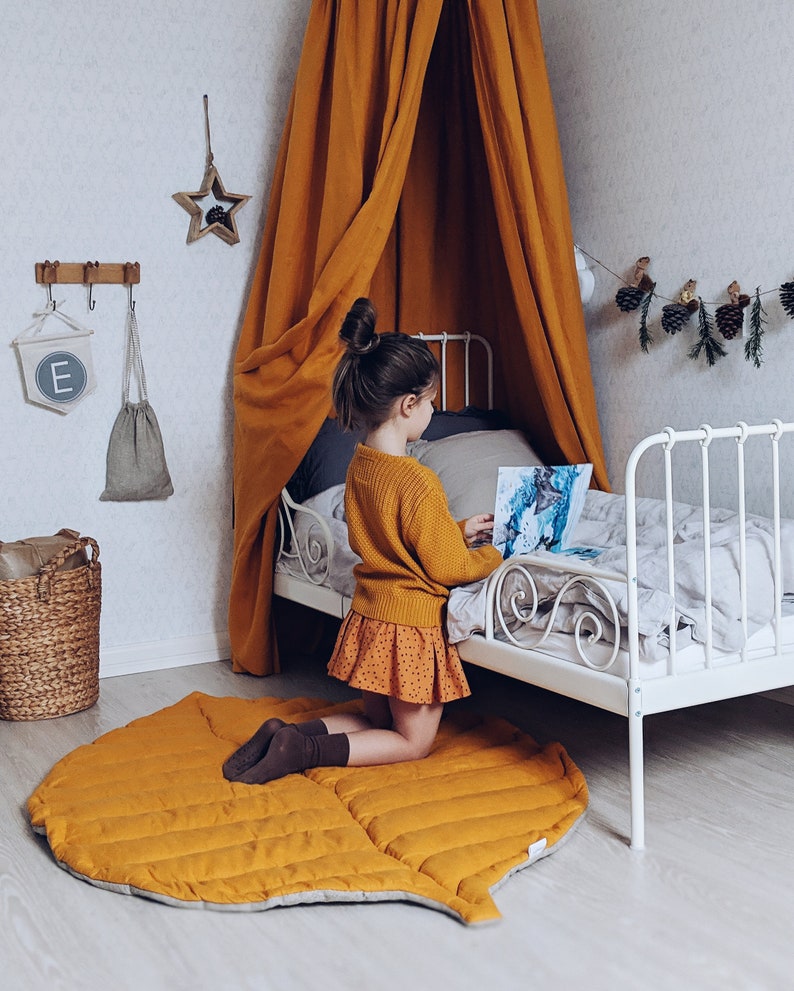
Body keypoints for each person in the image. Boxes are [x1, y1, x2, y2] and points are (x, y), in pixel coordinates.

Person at [223, 298, 503, 785]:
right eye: (431, 402)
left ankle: (286, 733)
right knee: (412, 741)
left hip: (370, 615)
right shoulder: (417, 480)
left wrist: (457, 531)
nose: (433, 411)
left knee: (377, 722)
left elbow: (379, 535)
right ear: (408, 405)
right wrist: (493, 556)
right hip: (410, 627)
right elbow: (447, 568)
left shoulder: (361, 467)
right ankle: (301, 749)